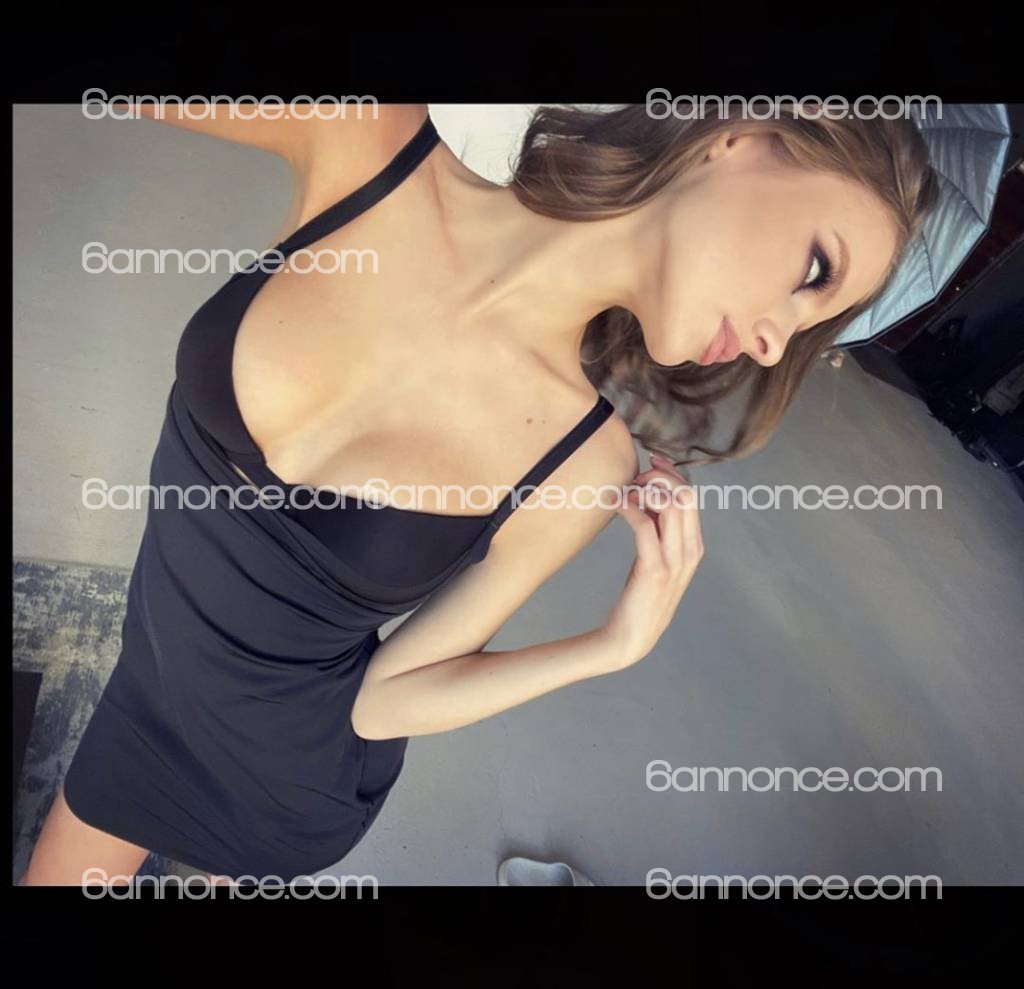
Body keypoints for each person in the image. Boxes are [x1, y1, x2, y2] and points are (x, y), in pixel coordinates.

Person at [19, 102, 938, 885]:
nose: (777, 343)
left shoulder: (584, 466)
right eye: (815, 271)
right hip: (146, 689)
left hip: (280, 787)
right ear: (740, 137)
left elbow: (384, 701)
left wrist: (613, 646)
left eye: (813, 327)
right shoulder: (372, 141)